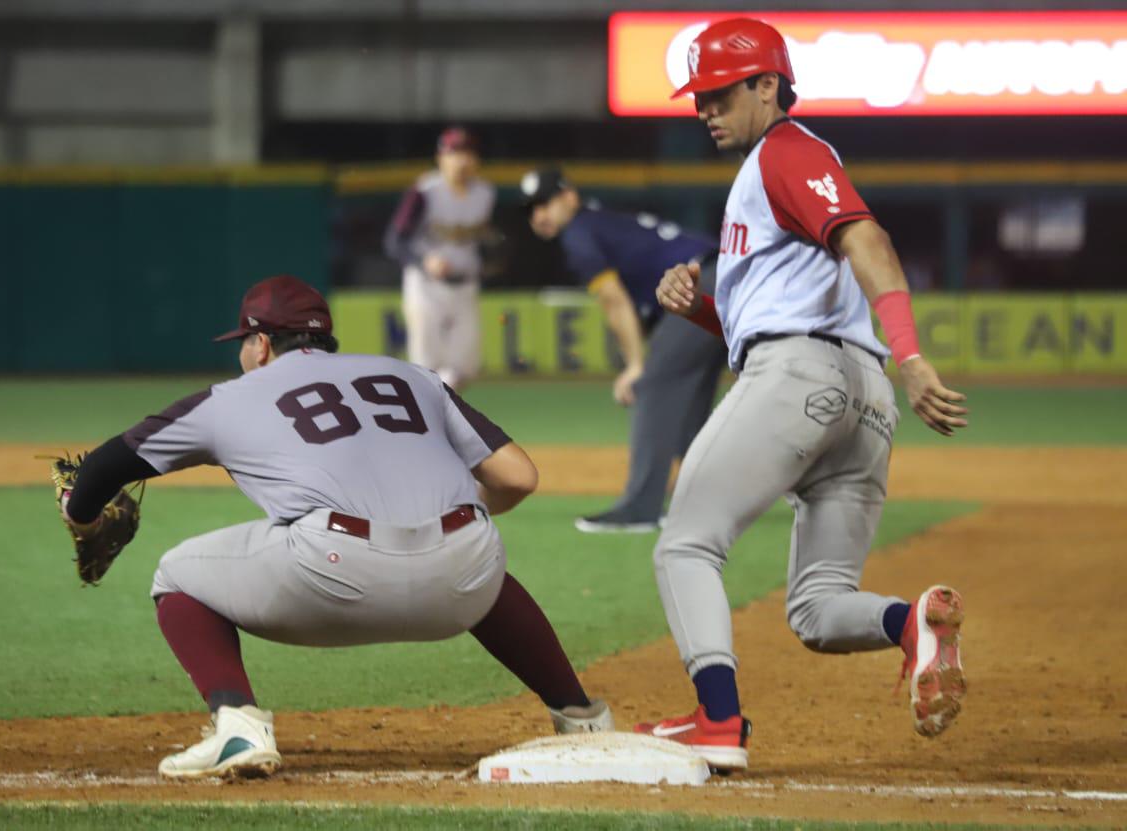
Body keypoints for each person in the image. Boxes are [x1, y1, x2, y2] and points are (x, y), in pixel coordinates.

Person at [58, 275, 614, 780]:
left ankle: (238, 726)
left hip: (334, 573)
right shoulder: (411, 376)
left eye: (244, 345)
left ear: (261, 344)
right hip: (464, 580)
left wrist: (79, 516)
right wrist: (456, 524)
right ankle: (582, 717)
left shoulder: (228, 398)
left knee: (176, 574)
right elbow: (519, 476)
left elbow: (106, 465)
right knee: (478, 558)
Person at [632, 18, 969, 772]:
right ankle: (911, 623)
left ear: (768, 86)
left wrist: (912, 353)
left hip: (809, 380)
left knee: (685, 543)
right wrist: (702, 311)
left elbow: (868, 241)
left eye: (719, 93)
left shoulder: (788, 151)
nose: (705, 110)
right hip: (861, 402)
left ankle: (717, 720)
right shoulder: (771, 171)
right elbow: (772, 320)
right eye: (699, 98)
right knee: (817, 608)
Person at [522, 168, 725, 533]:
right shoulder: (600, 222)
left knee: (653, 384)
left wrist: (634, 365)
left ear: (569, 196)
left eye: (545, 203)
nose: (539, 215)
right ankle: (714, 497)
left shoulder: (579, 233)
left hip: (699, 282)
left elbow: (614, 302)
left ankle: (639, 508)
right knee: (688, 404)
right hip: (724, 276)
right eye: (531, 209)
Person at [384, 126, 495, 390]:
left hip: (465, 285)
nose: (462, 160)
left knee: (463, 369)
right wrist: (425, 262)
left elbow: (486, 240)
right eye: (455, 153)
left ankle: (440, 420)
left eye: (468, 153)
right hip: (426, 287)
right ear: (441, 158)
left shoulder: (485, 194)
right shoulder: (425, 192)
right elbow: (394, 241)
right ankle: (430, 425)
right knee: (427, 368)